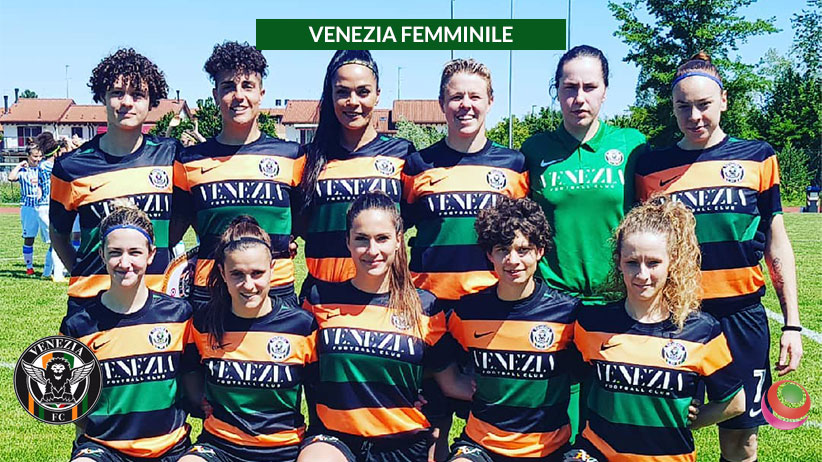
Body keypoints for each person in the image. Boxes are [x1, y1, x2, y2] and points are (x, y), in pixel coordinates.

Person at [635, 52, 803, 462]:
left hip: (741, 318)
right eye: (683, 106)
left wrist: (792, 324)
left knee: (741, 438)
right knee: (667, 433)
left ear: (724, 101)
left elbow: (777, 242)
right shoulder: (650, 166)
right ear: (672, 107)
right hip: (677, 319)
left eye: (704, 104)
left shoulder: (757, 157)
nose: (694, 116)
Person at [401, 58, 528, 460]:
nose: (465, 105)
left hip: (491, 315)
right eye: (456, 97)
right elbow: (395, 231)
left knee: (495, 426)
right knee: (430, 429)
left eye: (475, 96)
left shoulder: (514, 165)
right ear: (442, 103)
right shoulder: (417, 165)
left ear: (491, 101)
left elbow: (525, 240)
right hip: (430, 315)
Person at [520, 44, 648, 441]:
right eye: (569, 87)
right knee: (559, 416)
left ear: (605, 91)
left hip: (618, 301)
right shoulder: (535, 150)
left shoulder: (632, 145)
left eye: (589, 87)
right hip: (554, 302)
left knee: (614, 412)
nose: (579, 97)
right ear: (556, 91)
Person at [298, 191, 474, 462]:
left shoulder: (425, 307)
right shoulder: (319, 299)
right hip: (337, 438)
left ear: (398, 240)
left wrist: (516, 393)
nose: (372, 251)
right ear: (347, 242)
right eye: (361, 239)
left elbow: (450, 382)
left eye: (382, 238)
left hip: (403, 441)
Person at [566, 197, 745, 462]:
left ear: (672, 262)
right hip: (599, 454)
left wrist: (689, 419)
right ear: (618, 262)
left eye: (653, 263)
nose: (642, 275)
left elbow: (735, 402)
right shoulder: (592, 323)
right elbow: (562, 376)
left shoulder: (701, 332)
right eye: (632, 262)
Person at [446, 197, 580, 462]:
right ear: (489, 254)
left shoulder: (567, 314)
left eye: (523, 250)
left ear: (540, 251)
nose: (512, 260)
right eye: (502, 249)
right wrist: (432, 387)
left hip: (548, 448)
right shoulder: (468, 312)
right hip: (481, 444)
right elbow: (432, 354)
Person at [173, 41, 303, 311]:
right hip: (210, 294)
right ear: (215, 95)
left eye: (247, 86)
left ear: (261, 94)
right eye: (228, 86)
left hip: (276, 292)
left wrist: (284, 243)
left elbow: (308, 221)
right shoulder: (189, 161)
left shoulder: (292, 156)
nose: (239, 95)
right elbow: (173, 232)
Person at [60, 201, 195, 462]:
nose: (125, 263)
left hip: (170, 449)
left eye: (135, 252)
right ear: (102, 255)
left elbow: (194, 386)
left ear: (151, 254)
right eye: (115, 252)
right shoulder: (79, 325)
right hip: (104, 449)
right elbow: (74, 405)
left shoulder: (179, 315)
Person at [180, 216, 317, 462]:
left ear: (272, 269)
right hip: (219, 447)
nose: (248, 285)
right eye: (237, 274)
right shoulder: (204, 323)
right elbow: (189, 368)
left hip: (283, 450)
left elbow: (319, 392)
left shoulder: (301, 326)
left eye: (257, 273)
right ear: (222, 273)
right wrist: (197, 401)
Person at [50, 48, 178, 302]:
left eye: (138, 94)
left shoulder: (171, 156)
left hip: (156, 302)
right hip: (92, 303)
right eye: (117, 92)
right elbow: (59, 235)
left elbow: (184, 219)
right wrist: (87, 276)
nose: (127, 102)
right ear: (103, 96)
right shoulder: (71, 166)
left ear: (151, 101)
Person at [298, 49, 415, 291]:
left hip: (385, 295)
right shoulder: (308, 158)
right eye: (342, 92)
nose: (353, 101)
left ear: (377, 95)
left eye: (363, 92)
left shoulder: (402, 154)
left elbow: (414, 217)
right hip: (323, 296)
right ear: (330, 95)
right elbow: (295, 222)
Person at [8, 143, 54, 277]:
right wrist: (19, 165)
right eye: (35, 156)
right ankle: (29, 267)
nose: (38, 159)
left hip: (44, 206)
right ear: (28, 156)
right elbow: (11, 177)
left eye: (40, 156)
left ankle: (50, 267)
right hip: (29, 208)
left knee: (52, 238)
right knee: (29, 238)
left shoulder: (44, 169)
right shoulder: (24, 171)